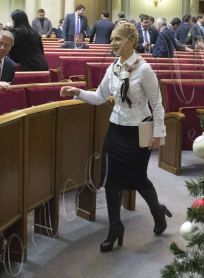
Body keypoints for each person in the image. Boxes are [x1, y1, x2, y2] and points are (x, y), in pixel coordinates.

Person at [61, 22, 171, 252]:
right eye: (111, 39)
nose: (112, 43)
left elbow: (158, 105)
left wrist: (159, 134)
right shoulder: (113, 67)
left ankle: (158, 213)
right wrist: (78, 92)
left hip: (138, 131)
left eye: (117, 39)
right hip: (115, 131)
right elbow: (100, 97)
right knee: (111, 181)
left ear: (132, 40)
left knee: (139, 179)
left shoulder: (144, 69)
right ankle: (114, 227)